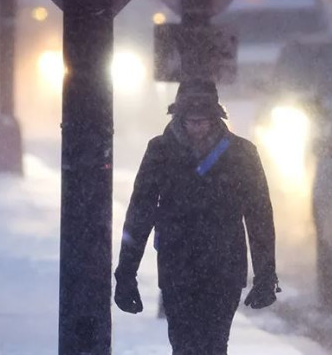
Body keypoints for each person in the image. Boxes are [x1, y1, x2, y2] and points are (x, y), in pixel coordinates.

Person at [114, 79, 280, 354]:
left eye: (203, 121)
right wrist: (126, 273)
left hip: (223, 268)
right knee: (183, 345)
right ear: (179, 117)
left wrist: (265, 275)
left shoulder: (242, 154)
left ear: (216, 118)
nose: (197, 128)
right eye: (191, 121)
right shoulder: (160, 151)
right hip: (177, 267)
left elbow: (259, 216)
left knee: (214, 344)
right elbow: (139, 214)